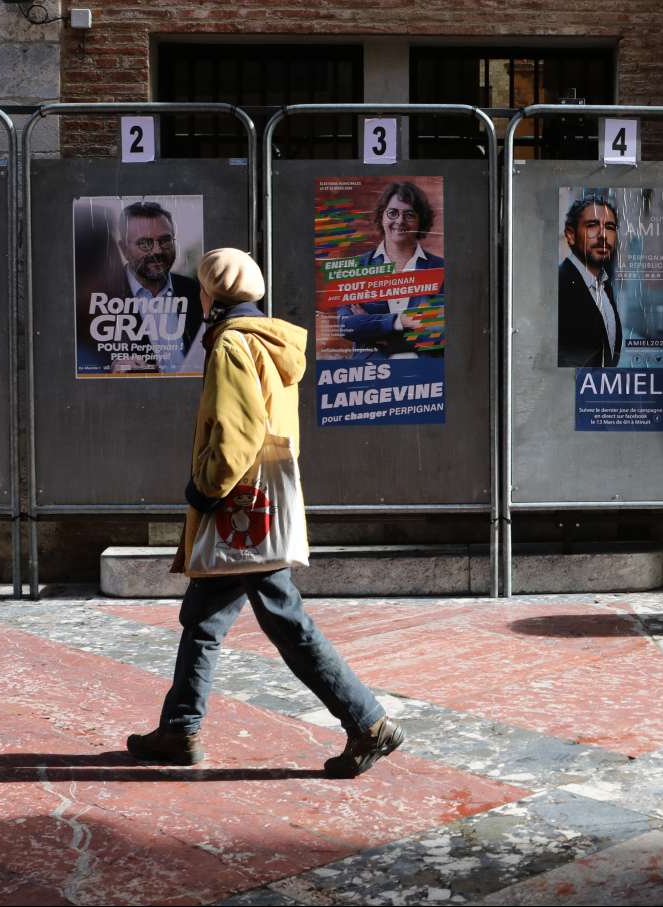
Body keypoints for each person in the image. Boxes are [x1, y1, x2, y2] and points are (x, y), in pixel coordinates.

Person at [127, 248, 405, 778]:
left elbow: (239, 433)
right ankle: (180, 729)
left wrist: (205, 490)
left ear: (213, 293)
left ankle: (368, 723)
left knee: (284, 622)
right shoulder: (268, 341)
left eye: (203, 288)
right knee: (205, 618)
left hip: (239, 509)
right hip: (263, 501)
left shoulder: (231, 343)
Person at [333, 181, 444, 358]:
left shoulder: (440, 269)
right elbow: (347, 325)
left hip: (426, 378)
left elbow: (439, 330)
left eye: (409, 215)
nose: (399, 220)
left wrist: (375, 332)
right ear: (382, 216)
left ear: (420, 220)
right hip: (370, 376)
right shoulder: (356, 268)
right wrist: (399, 321)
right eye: (392, 213)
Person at [109, 201, 206, 373]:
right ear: (123, 249)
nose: (157, 251)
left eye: (165, 241)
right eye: (145, 243)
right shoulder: (103, 299)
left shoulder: (197, 293)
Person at [558, 193, 623, 367]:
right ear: (570, 235)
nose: (603, 235)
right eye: (592, 225)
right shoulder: (558, 285)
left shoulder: (604, 285)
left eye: (610, 227)